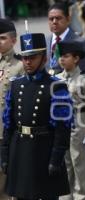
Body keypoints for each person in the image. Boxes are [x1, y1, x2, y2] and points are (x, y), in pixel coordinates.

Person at [0, 32, 73, 199]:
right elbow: (8, 124)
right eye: (25, 57)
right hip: (20, 150)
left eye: (32, 57)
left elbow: (63, 128)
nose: (27, 62)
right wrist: (4, 155)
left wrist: (56, 158)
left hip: (44, 150)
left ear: (44, 59)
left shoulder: (57, 86)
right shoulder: (16, 85)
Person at [56, 40, 85, 200]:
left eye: (66, 56)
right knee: (65, 161)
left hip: (78, 121)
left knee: (78, 161)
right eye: (60, 56)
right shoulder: (56, 78)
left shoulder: (84, 79)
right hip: (61, 122)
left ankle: (81, 196)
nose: (62, 59)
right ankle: (66, 195)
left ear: (76, 59)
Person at [0, 18, 23, 199]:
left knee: (6, 184)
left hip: (8, 133)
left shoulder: (21, 65)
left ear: (14, 41)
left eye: (2, 38)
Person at [46, 2, 85, 75]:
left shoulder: (80, 42)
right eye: (51, 19)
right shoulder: (45, 41)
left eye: (58, 18)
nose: (54, 22)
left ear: (68, 19)